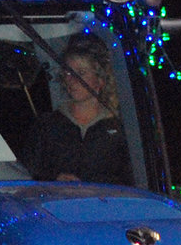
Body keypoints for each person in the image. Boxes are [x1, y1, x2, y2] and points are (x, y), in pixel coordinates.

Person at [22, 34, 132, 186]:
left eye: (81, 73)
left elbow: (129, 180)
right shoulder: (47, 125)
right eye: (68, 72)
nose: (71, 79)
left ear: (100, 79)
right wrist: (55, 178)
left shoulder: (118, 129)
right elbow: (27, 173)